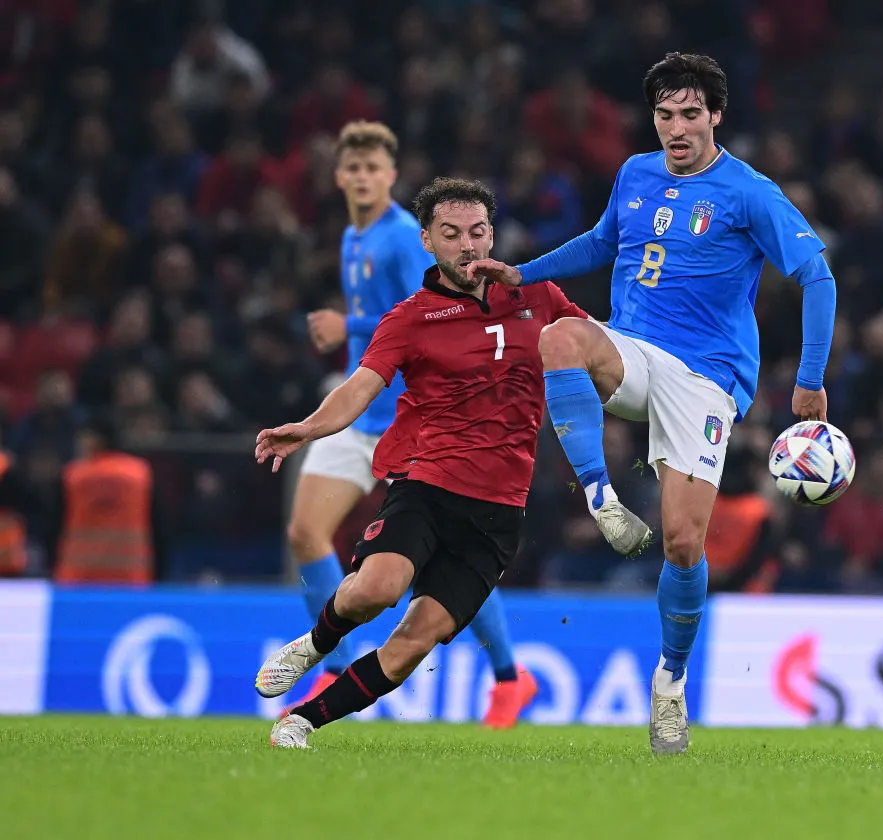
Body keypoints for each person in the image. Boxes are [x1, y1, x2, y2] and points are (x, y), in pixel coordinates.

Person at [467, 53, 837, 754]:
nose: (676, 128)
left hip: (705, 378)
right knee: (563, 336)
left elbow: (817, 277)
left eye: (690, 114)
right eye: (665, 114)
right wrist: (523, 272)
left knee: (682, 542)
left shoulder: (749, 192)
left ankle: (669, 683)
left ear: (716, 116)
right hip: (633, 348)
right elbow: (605, 241)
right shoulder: (635, 173)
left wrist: (810, 379)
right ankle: (602, 496)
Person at [254, 178, 589, 748]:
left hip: (500, 508)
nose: (468, 245)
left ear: (493, 234)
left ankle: (302, 721)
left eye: (478, 231)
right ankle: (315, 644)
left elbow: (597, 348)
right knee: (377, 589)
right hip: (428, 484)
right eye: (451, 234)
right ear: (428, 241)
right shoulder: (411, 318)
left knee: (415, 640)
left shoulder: (541, 297)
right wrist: (309, 428)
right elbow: (362, 385)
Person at [285, 122, 537, 728]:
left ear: (392, 176)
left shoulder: (403, 237)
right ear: (340, 176)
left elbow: (437, 313)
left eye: (375, 168)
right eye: (355, 168)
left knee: (444, 553)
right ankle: (330, 659)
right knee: (305, 532)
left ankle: (508, 676)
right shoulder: (353, 235)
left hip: (414, 416)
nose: (364, 177)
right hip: (358, 408)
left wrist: (344, 326)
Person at [52, 413, 168, 584]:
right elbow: (160, 526)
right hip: (130, 578)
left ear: (96, 440)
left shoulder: (74, 476)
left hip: (78, 579)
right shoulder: (141, 474)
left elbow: (55, 526)